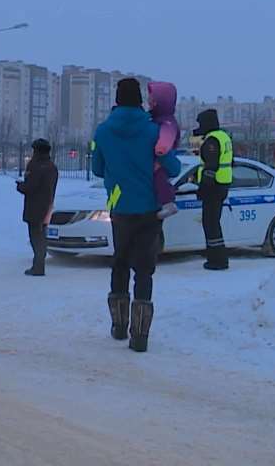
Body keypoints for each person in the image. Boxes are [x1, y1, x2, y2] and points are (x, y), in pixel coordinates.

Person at [91, 78, 181, 353]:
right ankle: (140, 336)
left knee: (119, 264)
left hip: (120, 208)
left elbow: (96, 168)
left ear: (116, 100)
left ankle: (118, 326)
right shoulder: (154, 130)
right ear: (140, 100)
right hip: (149, 210)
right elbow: (174, 168)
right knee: (144, 270)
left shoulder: (103, 132)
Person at [192, 108, 233, 271]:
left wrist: (202, 188)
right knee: (213, 222)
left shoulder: (212, 141)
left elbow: (210, 167)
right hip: (222, 184)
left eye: (200, 123)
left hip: (214, 187)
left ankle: (217, 260)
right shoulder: (223, 137)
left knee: (210, 223)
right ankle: (217, 256)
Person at [17, 138, 59, 277]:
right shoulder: (52, 167)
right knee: (42, 236)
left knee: (36, 237)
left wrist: (20, 186)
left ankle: (38, 267)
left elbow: (30, 187)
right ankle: (39, 264)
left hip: (34, 206)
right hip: (47, 206)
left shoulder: (35, 166)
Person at [148, 81, 181, 219]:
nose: (149, 101)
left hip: (161, 155)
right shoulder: (158, 118)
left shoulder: (166, 121)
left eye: (152, 99)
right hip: (159, 157)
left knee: (160, 178)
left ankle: (169, 204)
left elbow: (167, 136)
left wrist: (161, 149)